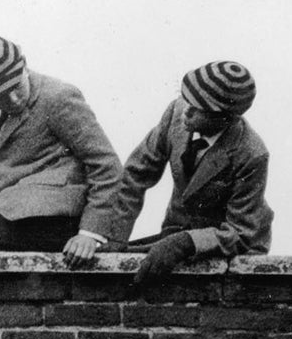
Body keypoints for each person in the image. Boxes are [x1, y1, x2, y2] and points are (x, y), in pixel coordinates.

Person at [0, 36, 126, 262]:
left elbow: (107, 165)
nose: (14, 99)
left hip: (49, 219)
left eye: (16, 86)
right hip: (17, 214)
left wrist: (90, 233)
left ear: (24, 64)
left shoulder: (58, 97)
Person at [104, 61, 272, 285]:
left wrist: (185, 242)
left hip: (229, 247)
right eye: (186, 99)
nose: (186, 111)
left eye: (199, 108)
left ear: (226, 119)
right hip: (173, 236)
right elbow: (135, 175)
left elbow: (241, 233)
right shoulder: (177, 111)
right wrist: (115, 234)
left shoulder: (251, 154)